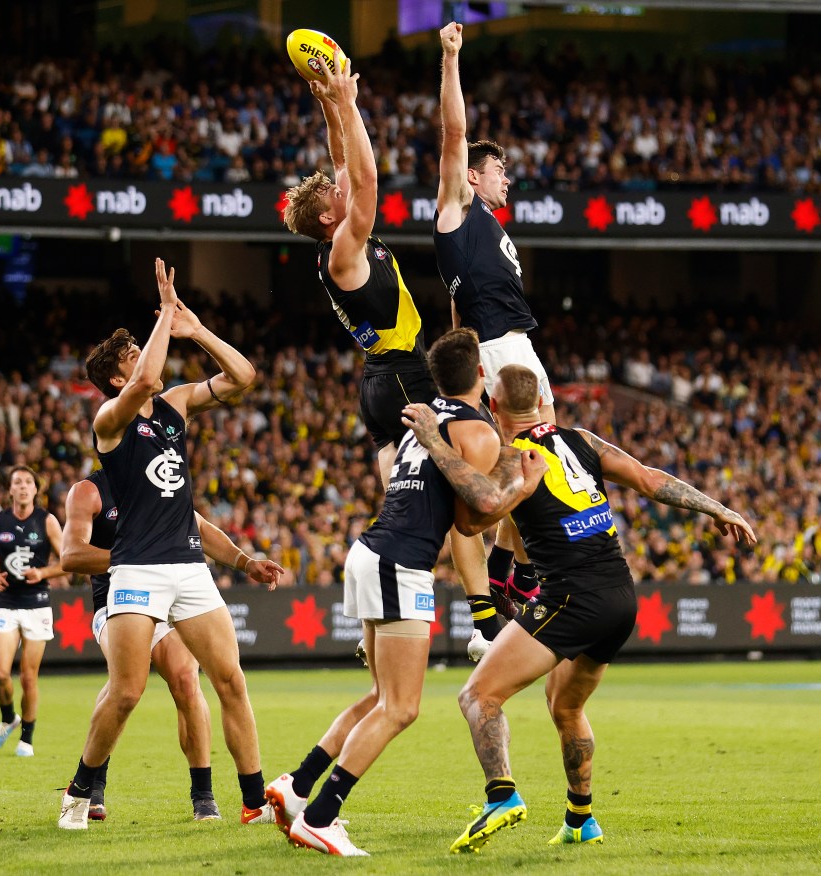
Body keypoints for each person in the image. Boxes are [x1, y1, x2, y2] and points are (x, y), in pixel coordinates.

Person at [402, 363, 757, 852]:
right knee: (566, 706)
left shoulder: (514, 457)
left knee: (477, 697)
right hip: (620, 596)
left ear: (495, 407)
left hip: (571, 597)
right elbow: (651, 480)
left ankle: (501, 796)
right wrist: (718, 507)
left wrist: (436, 444)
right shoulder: (583, 440)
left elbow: (474, 516)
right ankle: (581, 819)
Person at [263, 329, 547, 856]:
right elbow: (470, 520)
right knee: (400, 708)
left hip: (372, 551)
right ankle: (321, 817)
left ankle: (297, 787)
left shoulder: (425, 419)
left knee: (379, 697)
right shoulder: (477, 432)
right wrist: (522, 485)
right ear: (481, 376)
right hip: (400, 564)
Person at [281, 46, 499, 661]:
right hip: (404, 375)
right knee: (452, 491)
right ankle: (483, 620)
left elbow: (344, 160)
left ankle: (375, 622)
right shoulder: (344, 246)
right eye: (333, 192)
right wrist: (350, 103)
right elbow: (366, 178)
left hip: (379, 383)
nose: (339, 185)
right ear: (329, 214)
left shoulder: (339, 238)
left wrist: (330, 104)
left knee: (401, 499)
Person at [58, 258, 270, 830]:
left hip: (189, 567)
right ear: (113, 379)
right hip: (137, 571)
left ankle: (253, 800)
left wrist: (196, 329)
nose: (146, 358)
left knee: (228, 680)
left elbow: (245, 377)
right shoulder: (110, 420)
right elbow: (146, 379)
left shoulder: (175, 404)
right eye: (131, 357)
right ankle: (80, 789)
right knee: (126, 691)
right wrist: (165, 312)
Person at [61, 468, 284, 821]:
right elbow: (70, 556)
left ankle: (204, 797)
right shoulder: (89, 491)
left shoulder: (161, 481)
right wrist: (138, 556)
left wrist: (245, 562)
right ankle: (89, 785)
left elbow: (202, 531)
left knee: (185, 678)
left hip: (170, 596)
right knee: (126, 689)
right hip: (116, 599)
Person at [435, 21, 558, 626]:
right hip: (501, 346)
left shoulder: (491, 228)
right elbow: (454, 130)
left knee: (539, 452)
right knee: (531, 453)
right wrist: (451, 58)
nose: (507, 179)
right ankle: (509, 579)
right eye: (500, 171)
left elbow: (457, 307)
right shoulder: (458, 207)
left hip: (509, 343)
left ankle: (512, 571)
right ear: (474, 176)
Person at [0, 464, 66, 757]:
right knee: (0, 673)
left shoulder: (47, 521)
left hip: (38, 603)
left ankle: (26, 738)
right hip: (8, 602)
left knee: (28, 677)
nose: (23, 486)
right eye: (17, 482)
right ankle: (8, 719)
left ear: (35, 489)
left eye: (28, 481)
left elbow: (68, 560)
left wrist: (43, 573)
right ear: (10, 489)